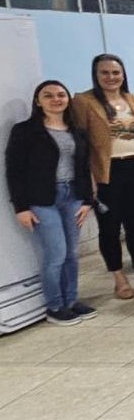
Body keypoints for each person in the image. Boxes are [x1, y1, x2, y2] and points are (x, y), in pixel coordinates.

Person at [72, 53, 134, 300]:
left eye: (116, 72)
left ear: (123, 75)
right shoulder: (84, 101)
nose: (111, 77)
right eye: (105, 72)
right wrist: (88, 179)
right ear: (96, 75)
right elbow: (80, 143)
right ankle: (119, 279)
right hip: (106, 172)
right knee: (109, 228)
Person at [6, 80, 95, 325]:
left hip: (72, 196)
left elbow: (84, 168)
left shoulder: (76, 131)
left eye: (60, 95)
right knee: (56, 254)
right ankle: (55, 306)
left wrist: (87, 200)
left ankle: (71, 301)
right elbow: (14, 171)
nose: (56, 99)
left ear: (67, 99)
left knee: (72, 255)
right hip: (43, 199)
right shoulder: (25, 131)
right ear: (38, 101)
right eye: (48, 95)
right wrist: (21, 207)